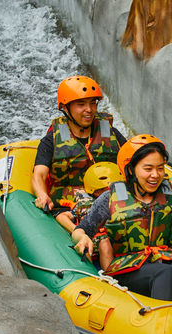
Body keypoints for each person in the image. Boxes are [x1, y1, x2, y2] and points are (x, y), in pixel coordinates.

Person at [70, 134, 172, 301]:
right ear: (131, 169)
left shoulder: (168, 193)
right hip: (127, 269)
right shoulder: (110, 198)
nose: (156, 175)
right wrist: (82, 238)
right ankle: (162, 321)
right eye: (148, 169)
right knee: (164, 272)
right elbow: (81, 230)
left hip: (162, 259)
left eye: (160, 168)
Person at [32, 75, 126, 233]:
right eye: (81, 104)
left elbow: (134, 159)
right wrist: (42, 195)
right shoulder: (51, 140)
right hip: (68, 203)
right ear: (66, 107)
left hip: (109, 195)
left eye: (92, 104)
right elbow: (39, 175)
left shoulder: (109, 132)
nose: (89, 110)